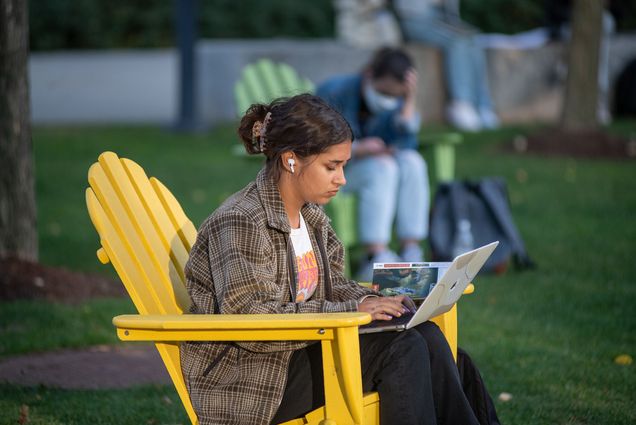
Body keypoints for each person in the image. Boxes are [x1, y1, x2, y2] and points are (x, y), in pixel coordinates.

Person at [180, 94, 487, 425]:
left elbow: (333, 284)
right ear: (291, 160)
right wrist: (352, 310)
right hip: (254, 376)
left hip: (302, 350)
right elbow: (251, 318)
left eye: (344, 166)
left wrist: (375, 300)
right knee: (402, 348)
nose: (342, 179)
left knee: (424, 333)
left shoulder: (310, 216)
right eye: (332, 166)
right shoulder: (242, 220)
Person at [316, 47, 429, 281]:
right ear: (369, 75)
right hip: (334, 174)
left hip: (368, 169)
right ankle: (374, 256)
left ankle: (410, 249)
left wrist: (409, 101)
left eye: (396, 96)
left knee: (413, 161)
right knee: (383, 167)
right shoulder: (334, 92)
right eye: (384, 92)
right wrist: (357, 149)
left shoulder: (398, 100)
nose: (389, 101)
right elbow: (315, 147)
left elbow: (408, 143)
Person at [393, 0, 499, 131]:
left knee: (473, 38)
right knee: (458, 41)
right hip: (415, 18)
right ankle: (461, 104)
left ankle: (482, 105)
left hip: (442, 18)